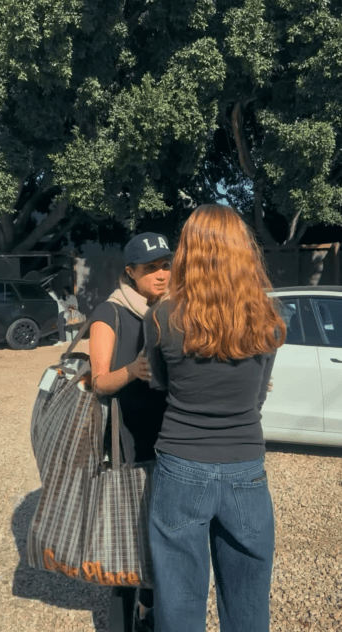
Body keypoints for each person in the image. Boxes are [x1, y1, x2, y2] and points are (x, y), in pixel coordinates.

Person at [144, 204, 287, 632]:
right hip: (245, 467)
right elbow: (258, 397)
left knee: (178, 596)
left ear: (188, 251)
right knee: (247, 600)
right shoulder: (268, 318)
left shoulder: (164, 316)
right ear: (244, 251)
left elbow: (161, 386)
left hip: (181, 465)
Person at [89, 232, 172, 632]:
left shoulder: (172, 310)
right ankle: (121, 621)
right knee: (127, 546)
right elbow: (98, 382)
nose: (161, 274)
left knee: (161, 542)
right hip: (127, 444)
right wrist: (133, 371)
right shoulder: (111, 312)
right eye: (150, 268)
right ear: (130, 272)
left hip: (171, 441)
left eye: (165, 265)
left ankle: (150, 615)